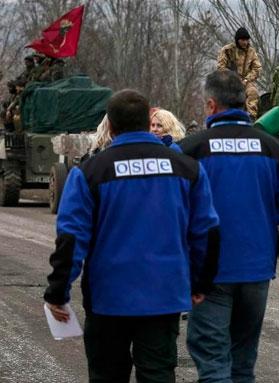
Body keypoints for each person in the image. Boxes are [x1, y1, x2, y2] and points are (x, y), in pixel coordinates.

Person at [43, 89, 221, 383]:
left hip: (108, 298)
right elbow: (207, 230)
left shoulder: (89, 172)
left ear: (110, 126)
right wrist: (202, 282)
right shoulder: (187, 169)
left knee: (107, 375)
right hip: (164, 296)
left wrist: (57, 292)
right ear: (147, 120)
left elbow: (71, 238)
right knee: (158, 374)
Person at [180, 70, 279, 383]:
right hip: (256, 273)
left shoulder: (188, 151)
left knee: (213, 364)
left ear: (211, 106)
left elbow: (170, 215)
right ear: (244, 104)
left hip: (207, 275)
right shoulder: (275, 149)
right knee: (242, 364)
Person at [217, 27, 262, 120]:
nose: (245, 42)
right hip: (229, 81)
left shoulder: (251, 52)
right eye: (242, 40)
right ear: (237, 40)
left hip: (246, 81)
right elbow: (221, 67)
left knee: (253, 92)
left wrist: (246, 79)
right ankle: (227, 117)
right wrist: (233, 78)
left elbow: (257, 68)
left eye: (246, 40)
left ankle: (252, 117)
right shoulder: (227, 50)